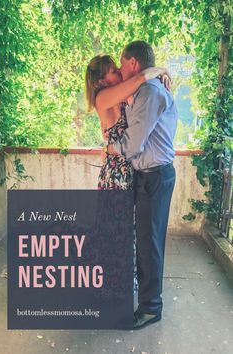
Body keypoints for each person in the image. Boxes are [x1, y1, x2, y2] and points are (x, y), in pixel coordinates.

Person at [85, 55, 171, 296]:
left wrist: (160, 74)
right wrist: (159, 69)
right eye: (113, 70)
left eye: (116, 67)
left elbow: (142, 91)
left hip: (126, 168)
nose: (118, 72)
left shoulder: (121, 94)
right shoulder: (104, 96)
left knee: (129, 230)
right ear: (101, 82)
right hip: (116, 172)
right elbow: (141, 76)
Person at [107, 41, 178, 329]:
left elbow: (134, 144)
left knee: (149, 243)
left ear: (133, 63)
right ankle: (148, 300)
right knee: (145, 240)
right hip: (148, 175)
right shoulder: (144, 91)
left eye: (122, 64)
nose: (121, 70)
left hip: (154, 176)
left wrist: (113, 147)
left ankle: (151, 308)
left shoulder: (150, 91)